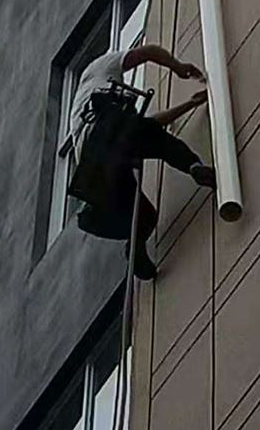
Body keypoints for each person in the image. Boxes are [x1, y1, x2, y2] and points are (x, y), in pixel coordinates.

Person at [67, 43, 217, 279]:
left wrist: (189, 104)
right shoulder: (97, 68)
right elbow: (147, 53)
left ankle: (135, 249)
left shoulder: (82, 111)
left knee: (145, 217)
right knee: (159, 141)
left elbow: (149, 127)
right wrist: (177, 67)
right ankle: (194, 166)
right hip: (106, 131)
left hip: (96, 167)